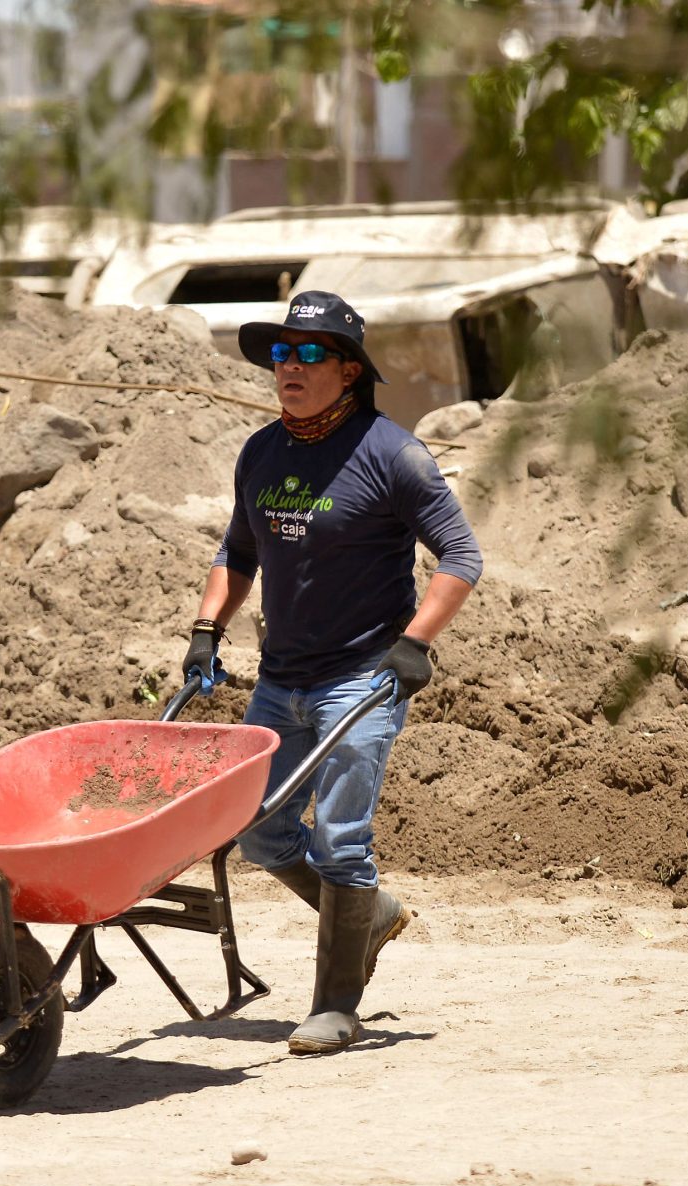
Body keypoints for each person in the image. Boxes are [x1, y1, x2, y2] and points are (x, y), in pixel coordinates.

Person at [182, 290, 482, 1055]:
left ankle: (336, 1004)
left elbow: (462, 557)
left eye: (310, 352)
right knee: (257, 829)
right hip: (281, 678)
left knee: (342, 839)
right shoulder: (260, 453)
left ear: (349, 370)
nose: (290, 364)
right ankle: (367, 915)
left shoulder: (393, 453)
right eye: (282, 351)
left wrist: (413, 644)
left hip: (363, 678)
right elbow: (237, 554)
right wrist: (205, 628)